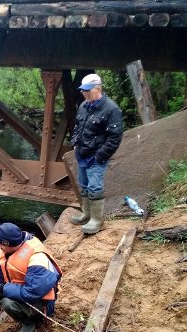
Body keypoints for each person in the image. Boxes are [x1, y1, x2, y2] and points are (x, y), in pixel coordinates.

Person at [69, 73, 123, 234]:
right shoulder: (84, 106)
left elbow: (115, 138)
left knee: (94, 186)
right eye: (82, 90)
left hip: (96, 156)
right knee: (83, 184)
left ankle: (97, 221)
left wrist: (100, 156)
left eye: (86, 90)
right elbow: (78, 126)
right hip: (82, 154)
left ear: (97, 88)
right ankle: (86, 214)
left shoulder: (111, 109)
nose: (83, 93)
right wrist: (74, 142)